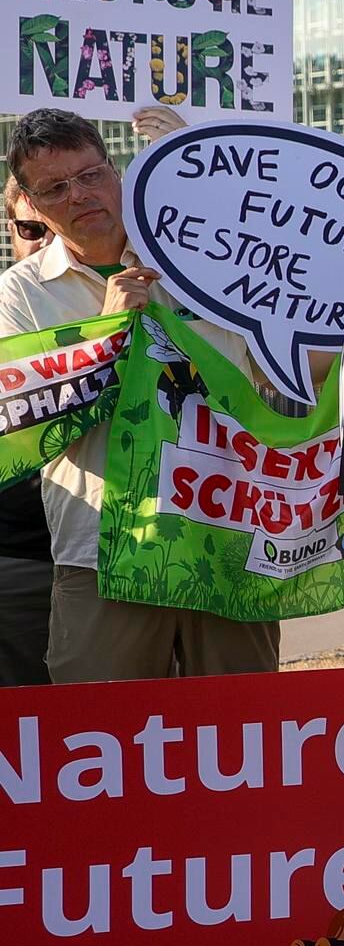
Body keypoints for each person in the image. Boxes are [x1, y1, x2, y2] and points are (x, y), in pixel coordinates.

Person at [0, 108, 277, 683]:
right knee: (98, 743)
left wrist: (197, 170)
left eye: (91, 174)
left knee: (242, 733)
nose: (79, 195)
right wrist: (103, 334)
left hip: (226, 535)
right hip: (100, 550)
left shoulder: (204, 255)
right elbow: (31, 423)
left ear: (117, 169)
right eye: (55, 188)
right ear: (30, 202)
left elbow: (287, 364)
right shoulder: (19, 296)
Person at [0, 177, 55, 689]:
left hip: (122, 559)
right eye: (32, 228)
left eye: (59, 229)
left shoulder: (141, 303)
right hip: (17, 560)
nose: (45, 242)